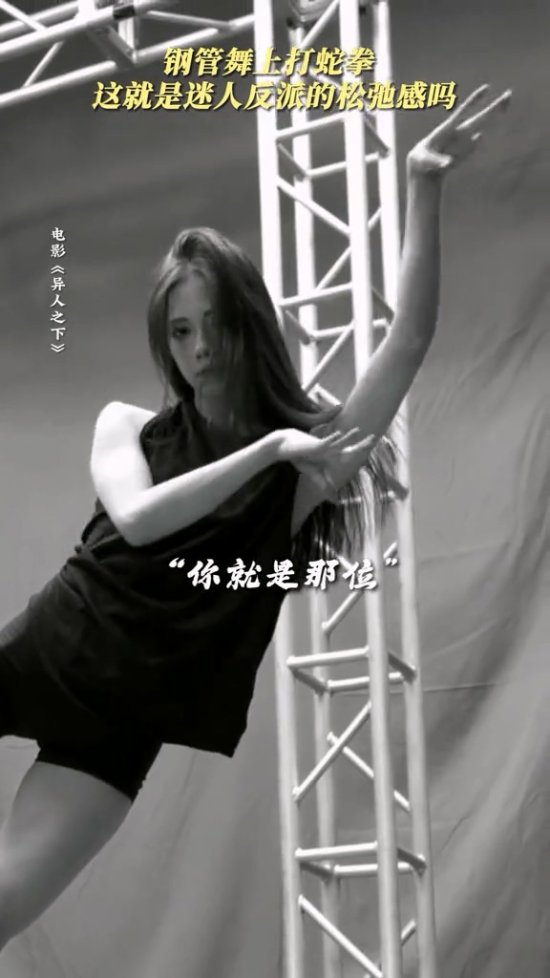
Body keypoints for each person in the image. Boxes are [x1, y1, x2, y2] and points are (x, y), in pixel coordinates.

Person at [0, 84, 510, 951]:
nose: (198, 351)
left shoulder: (302, 475)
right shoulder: (129, 427)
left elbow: (408, 344)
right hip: (46, 651)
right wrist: (269, 449)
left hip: (120, 727)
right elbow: (139, 521)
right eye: (179, 332)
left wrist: (422, 182)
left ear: (248, 325)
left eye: (214, 326)